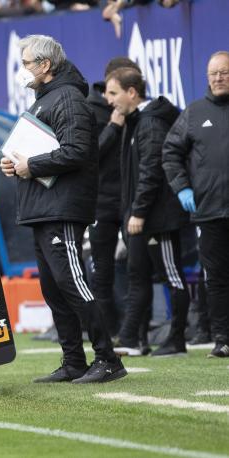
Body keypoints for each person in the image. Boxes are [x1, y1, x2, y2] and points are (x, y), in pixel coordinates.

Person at [0, 34, 125, 383]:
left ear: (45, 65)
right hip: (42, 207)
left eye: (27, 64)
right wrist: (15, 164)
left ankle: (108, 358)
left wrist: (33, 165)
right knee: (54, 289)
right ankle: (74, 361)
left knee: (73, 283)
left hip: (63, 208)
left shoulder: (68, 98)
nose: (23, 71)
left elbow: (78, 151)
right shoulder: (46, 99)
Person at [105, 67, 190, 357]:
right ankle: (133, 339)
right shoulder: (135, 121)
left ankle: (177, 339)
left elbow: (151, 171)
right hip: (139, 216)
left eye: (113, 93)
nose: (108, 100)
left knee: (172, 276)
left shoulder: (151, 123)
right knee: (137, 275)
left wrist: (138, 212)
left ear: (132, 93)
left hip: (158, 218)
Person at [162, 51, 229, 358]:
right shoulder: (194, 112)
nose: (218, 78)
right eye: (213, 73)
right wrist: (182, 188)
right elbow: (170, 152)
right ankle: (223, 338)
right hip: (210, 211)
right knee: (215, 278)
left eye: (224, 72)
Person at [86, 57, 141, 338]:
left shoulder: (141, 112)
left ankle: (135, 332)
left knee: (137, 268)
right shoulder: (91, 109)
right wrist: (114, 126)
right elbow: (91, 154)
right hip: (103, 201)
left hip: (133, 200)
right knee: (102, 272)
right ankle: (105, 334)